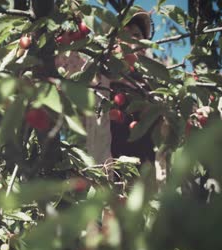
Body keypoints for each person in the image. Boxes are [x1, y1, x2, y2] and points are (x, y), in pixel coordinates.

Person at [55, 7, 155, 167]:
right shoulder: (95, 73)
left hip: (148, 173)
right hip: (109, 170)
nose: (131, 41)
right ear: (112, 43)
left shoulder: (151, 85)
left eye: (137, 35)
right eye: (123, 35)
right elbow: (65, 60)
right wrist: (67, 22)